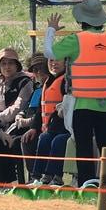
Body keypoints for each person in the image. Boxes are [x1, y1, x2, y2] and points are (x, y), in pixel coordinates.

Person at [45, 0, 106, 188]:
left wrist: (52, 29)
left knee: (84, 145)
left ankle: (87, 183)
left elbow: (49, 52)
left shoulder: (76, 39)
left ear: (81, 21)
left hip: (84, 103)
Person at [0, 49, 32, 184]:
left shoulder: (24, 82)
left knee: (3, 141)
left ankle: (9, 181)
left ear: (17, 65)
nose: (7, 67)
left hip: (15, 124)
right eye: (4, 63)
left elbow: (19, 106)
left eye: (11, 63)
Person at [29, 58, 70, 186]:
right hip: (51, 128)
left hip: (67, 127)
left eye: (58, 60)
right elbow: (40, 108)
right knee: (44, 138)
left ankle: (54, 177)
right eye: (51, 61)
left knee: (57, 140)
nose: (54, 64)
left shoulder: (67, 80)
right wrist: (34, 127)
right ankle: (37, 177)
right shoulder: (49, 81)